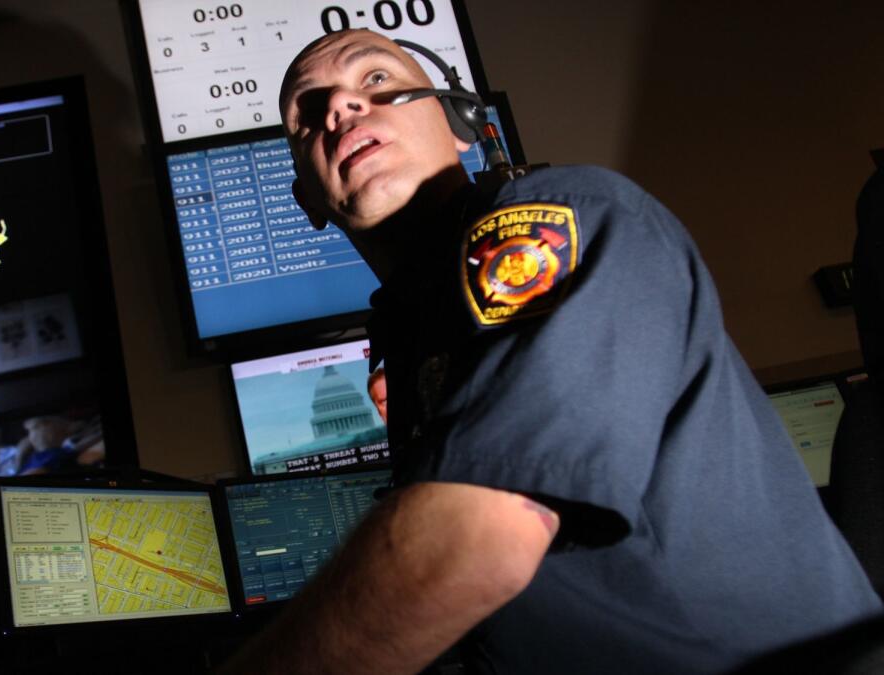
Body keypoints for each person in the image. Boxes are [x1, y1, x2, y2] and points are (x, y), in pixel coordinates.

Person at [217, 29, 881, 675]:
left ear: (459, 124)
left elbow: (480, 539)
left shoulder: (557, 216)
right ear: (306, 198)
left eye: (377, 79)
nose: (339, 106)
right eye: (308, 113)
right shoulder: (413, 328)